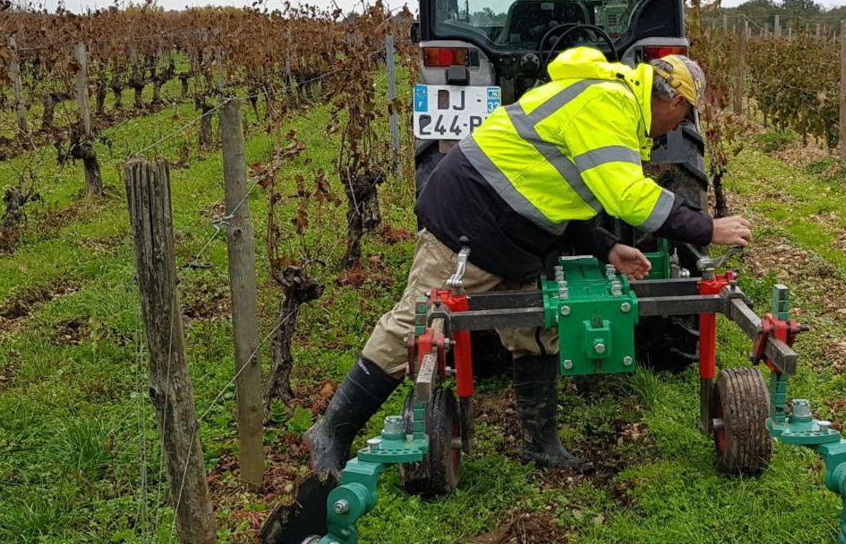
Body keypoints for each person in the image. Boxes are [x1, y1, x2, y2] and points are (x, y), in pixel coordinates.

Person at [307, 48, 752, 479]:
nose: (676, 127)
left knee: (535, 331)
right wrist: (709, 229)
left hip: (514, 234)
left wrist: (606, 248)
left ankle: (540, 444)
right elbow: (631, 199)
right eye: (683, 116)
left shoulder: (610, 100)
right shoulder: (607, 103)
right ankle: (331, 431)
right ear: (674, 102)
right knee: (416, 323)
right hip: (469, 220)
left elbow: (558, 190)